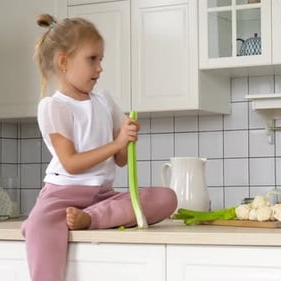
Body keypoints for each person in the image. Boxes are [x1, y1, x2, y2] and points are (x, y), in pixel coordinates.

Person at [21, 14, 178, 281]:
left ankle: (88, 219)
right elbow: (70, 162)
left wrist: (126, 140)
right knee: (40, 228)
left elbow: (119, 161)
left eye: (101, 59)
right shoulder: (54, 107)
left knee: (167, 198)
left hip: (102, 197)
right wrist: (116, 142)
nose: (100, 68)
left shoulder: (104, 101)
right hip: (62, 196)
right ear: (63, 61)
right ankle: (68, 223)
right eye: (92, 59)